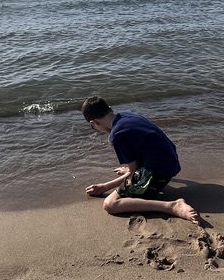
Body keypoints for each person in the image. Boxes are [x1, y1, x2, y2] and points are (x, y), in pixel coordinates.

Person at [81, 96, 202, 226]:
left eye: (93, 127)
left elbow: (132, 173)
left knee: (111, 204)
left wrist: (104, 187)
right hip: (170, 162)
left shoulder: (118, 135)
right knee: (133, 172)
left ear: (94, 123)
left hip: (160, 172)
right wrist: (131, 169)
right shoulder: (126, 116)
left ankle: (171, 206)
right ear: (110, 109)